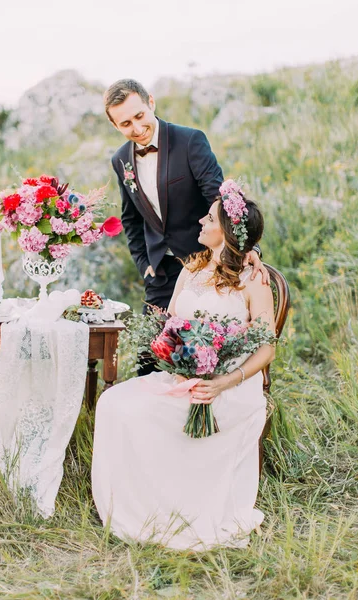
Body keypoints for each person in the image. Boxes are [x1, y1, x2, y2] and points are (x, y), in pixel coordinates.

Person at [92, 182, 276, 550]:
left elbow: (267, 348)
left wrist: (223, 382)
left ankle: (180, 506)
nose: (200, 221)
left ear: (225, 230)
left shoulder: (254, 280)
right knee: (113, 403)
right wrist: (173, 358)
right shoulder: (191, 269)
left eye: (208, 218)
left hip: (230, 387)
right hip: (183, 375)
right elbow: (171, 323)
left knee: (141, 411)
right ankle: (140, 507)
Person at [104, 78, 267, 312]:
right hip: (160, 274)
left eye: (139, 116)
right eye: (126, 123)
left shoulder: (190, 141)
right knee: (150, 346)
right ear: (114, 125)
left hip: (206, 263)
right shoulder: (120, 160)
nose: (137, 129)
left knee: (201, 345)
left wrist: (249, 247)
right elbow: (131, 219)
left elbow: (219, 200)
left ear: (151, 102)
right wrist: (145, 265)